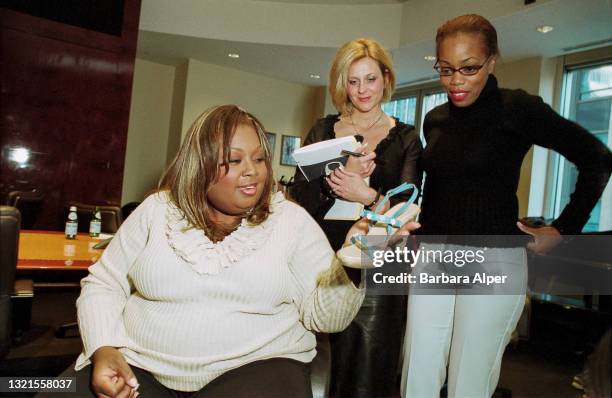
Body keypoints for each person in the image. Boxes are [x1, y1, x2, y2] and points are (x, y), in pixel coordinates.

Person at [49, 105, 384, 398]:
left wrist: (354, 265)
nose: (252, 171)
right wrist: (104, 347)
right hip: (142, 367)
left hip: (258, 368)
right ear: (200, 166)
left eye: (259, 158)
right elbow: (104, 284)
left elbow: (325, 318)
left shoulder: (292, 221)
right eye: (234, 160)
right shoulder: (156, 211)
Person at [400, 14, 612, 398]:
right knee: (418, 373)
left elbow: (597, 157)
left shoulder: (517, 108)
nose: (455, 81)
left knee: (469, 380)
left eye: (469, 68)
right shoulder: (436, 118)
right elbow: (440, 188)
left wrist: (564, 228)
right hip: (434, 256)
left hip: (492, 259)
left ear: (493, 60)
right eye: (445, 69)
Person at [290, 38, 422, 398]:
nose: (362, 90)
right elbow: (299, 198)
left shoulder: (406, 138)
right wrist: (340, 178)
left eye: (370, 79)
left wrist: (366, 195)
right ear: (342, 84)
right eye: (353, 81)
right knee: (311, 362)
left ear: (386, 78)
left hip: (378, 256)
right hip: (322, 252)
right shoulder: (322, 131)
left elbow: (406, 209)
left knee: (367, 366)